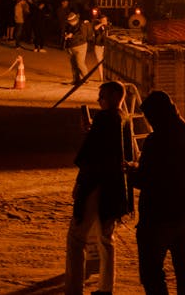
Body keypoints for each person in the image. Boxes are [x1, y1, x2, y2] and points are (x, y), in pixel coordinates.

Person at [129, 90, 185, 295]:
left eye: (150, 117)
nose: (149, 122)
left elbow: (146, 180)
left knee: (152, 273)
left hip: (160, 218)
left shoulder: (157, 140)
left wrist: (130, 172)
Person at [64, 80, 134, 295]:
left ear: (113, 98)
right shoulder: (124, 118)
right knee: (106, 239)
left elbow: (90, 156)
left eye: (102, 96)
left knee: (76, 239)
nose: (98, 100)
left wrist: (79, 184)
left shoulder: (104, 119)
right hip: (114, 188)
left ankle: (74, 288)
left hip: (95, 185)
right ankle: (106, 288)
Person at [63, 12, 89, 85]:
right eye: (69, 22)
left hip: (80, 46)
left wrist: (72, 36)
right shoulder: (69, 25)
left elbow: (83, 36)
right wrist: (66, 35)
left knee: (80, 63)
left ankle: (86, 78)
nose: (70, 23)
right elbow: (66, 31)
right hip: (71, 47)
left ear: (75, 20)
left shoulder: (82, 25)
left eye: (71, 22)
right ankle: (76, 79)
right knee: (73, 64)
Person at [90, 13, 109, 81]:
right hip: (98, 46)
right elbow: (95, 28)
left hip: (105, 46)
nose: (105, 21)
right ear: (100, 20)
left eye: (106, 20)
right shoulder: (97, 25)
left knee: (106, 63)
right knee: (99, 62)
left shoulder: (107, 27)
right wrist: (101, 24)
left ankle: (105, 77)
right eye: (103, 20)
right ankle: (101, 78)